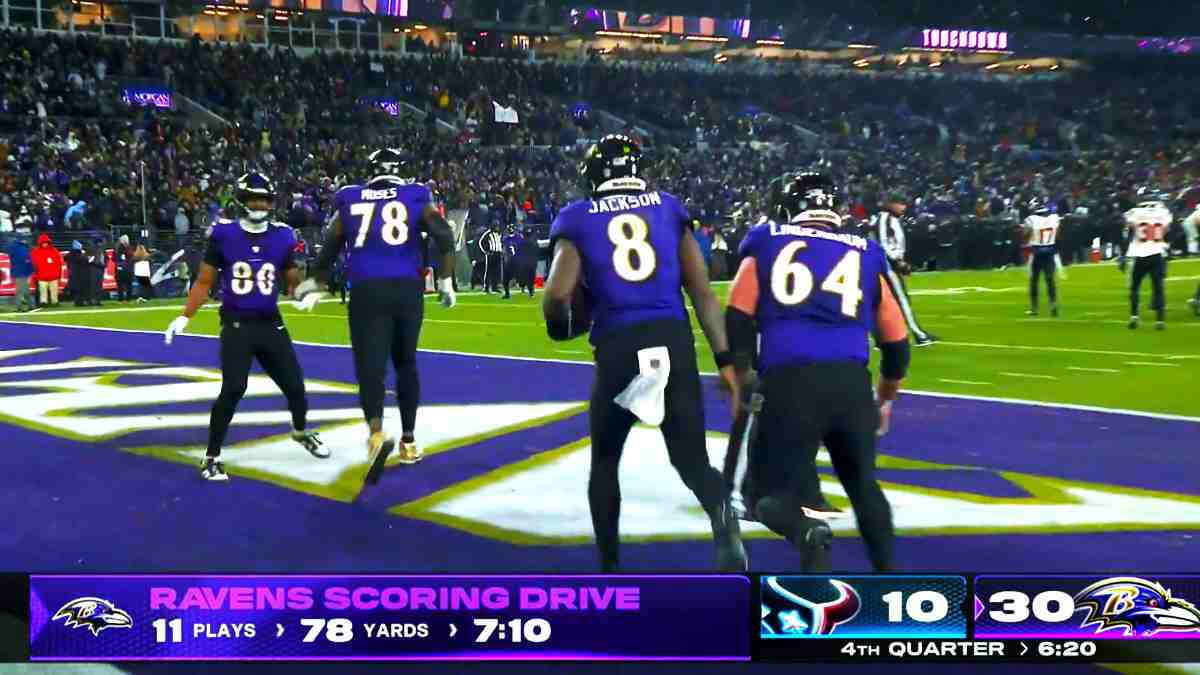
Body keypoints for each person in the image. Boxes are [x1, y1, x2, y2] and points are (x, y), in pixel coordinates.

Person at [542, 134, 746, 572]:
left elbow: (557, 294)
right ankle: (723, 517)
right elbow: (704, 295)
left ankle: (611, 566)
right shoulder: (668, 207)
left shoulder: (578, 217)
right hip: (673, 339)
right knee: (691, 459)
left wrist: (563, 326)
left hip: (621, 344)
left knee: (605, 461)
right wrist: (726, 361)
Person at [724, 172, 907, 572]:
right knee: (864, 488)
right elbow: (896, 341)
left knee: (768, 497)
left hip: (790, 380)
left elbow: (737, 314)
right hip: (852, 385)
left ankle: (807, 532)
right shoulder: (865, 250)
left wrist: (741, 376)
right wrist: (885, 399)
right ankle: (891, 580)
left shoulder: (767, 238)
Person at [299, 148, 457, 486]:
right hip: (407, 289)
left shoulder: (350, 197)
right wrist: (445, 278)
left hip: (367, 289)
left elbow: (331, 241)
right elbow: (444, 234)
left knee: (370, 366)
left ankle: (375, 433)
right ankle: (409, 441)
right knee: (406, 363)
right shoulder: (415, 194)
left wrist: (318, 280)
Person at [162, 172, 327, 481]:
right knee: (234, 388)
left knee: (295, 386)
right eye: (252, 198)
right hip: (237, 324)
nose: (258, 204)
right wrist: (186, 315)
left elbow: (291, 276)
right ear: (241, 200)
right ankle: (211, 456)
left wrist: (305, 290)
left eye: (264, 198)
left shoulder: (282, 235)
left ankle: (301, 431)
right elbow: (205, 280)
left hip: (270, 323)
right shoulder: (224, 234)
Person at [869, 193, 937, 345]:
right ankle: (919, 335)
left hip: (885, 265)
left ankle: (881, 338)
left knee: (883, 303)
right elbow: (884, 243)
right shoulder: (884, 219)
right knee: (901, 299)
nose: (903, 207)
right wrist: (897, 261)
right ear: (891, 204)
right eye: (900, 203)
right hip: (886, 266)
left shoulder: (891, 219)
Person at [1122, 187, 1172, 330]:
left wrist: (1123, 254)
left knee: (1134, 287)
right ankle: (1160, 321)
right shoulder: (1164, 212)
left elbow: (1127, 231)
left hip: (1139, 253)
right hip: (1157, 252)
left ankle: (1134, 316)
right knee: (1158, 287)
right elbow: (1167, 231)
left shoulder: (1134, 213)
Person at [1023, 198, 1061, 317]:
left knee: (1034, 281)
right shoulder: (1054, 218)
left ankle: (1034, 308)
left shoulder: (1031, 220)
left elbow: (1026, 234)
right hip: (1050, 251)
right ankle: (1053, 305)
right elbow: (1058, 233)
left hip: (1036, 252)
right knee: (1050, 280)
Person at [31, 233, 63, 308]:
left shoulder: (54, 251)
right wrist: (35, 275)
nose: (44, 244)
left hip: (53, 276)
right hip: (41, 276)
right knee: (43, 291)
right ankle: (44, 302)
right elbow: (33, 264)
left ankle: (54, 302)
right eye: (43, 243)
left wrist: (58, 274)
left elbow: (59, 264)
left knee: (54, 291)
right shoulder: (36, 252)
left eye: (46, 242)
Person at [6, 234, 34, 312]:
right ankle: (18, 307)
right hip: (22, 271)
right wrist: (30, 269)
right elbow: (25, 259)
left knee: (25, 290)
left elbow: (15, 258)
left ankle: (30, 305)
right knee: (21, 290)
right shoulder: (21, 247)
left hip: (19, 271)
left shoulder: (15, 247)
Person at [480, 223, 504, 294]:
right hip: (491, 254)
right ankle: (486, 287)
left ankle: (495, 287)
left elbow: (500, 242)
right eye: (496, 227)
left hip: (498, 253)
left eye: (498, 226)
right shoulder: (488, 233)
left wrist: (501, 250)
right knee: (489, 271)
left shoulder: (499, 233)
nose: (497, 228)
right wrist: (486, 251)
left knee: (496, 272)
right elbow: (481, 242)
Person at [114, 234, 135, 302]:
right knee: (126, 284)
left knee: (122, 285)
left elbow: (116, 258)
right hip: (126, 269)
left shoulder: (120, 248)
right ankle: (127, 298)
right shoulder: (127, 248)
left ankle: (122, 298)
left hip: (123, 269)